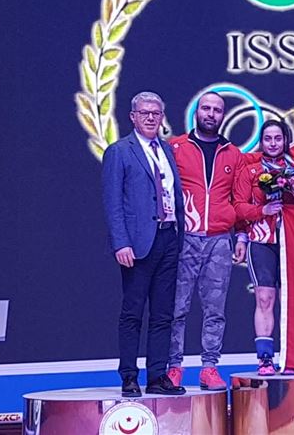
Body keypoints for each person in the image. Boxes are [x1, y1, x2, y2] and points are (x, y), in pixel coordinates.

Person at [102, 91, 186, 397]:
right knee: (133, 312)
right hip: (138, 243)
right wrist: (120, 243)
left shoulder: (166, 149)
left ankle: (157, 376)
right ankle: (128, 376)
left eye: (156, 113)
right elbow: (113, 202)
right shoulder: (119, 151)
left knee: (163, 314)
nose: (151, 118)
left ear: (162, 117)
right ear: (133, 117)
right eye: (144, 113)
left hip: (169, 237)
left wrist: (179, 233)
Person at [167, 91, 248, 391]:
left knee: (215, 310)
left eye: (217, 110)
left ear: (223, 115)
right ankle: (173, 367)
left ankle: (209, 368)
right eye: (206, 108)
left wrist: (241, 235)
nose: (211, 114)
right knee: (176, 308)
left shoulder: (233, 154)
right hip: (184, 239)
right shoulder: (176, 147)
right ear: (197, 112)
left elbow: (240, 199)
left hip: (219, 240)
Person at [234, 119, 294, 375]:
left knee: (291, 302)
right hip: (261, 242)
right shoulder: (250, 172)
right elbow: (238, 207)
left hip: (293, 244)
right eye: (268, 138)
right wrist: (263, 211)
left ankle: (292, 358)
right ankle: (265, 359)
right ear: (261, 141)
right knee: (265, 298)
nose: (272, 143)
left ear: (285, 140)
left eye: (277, 138)